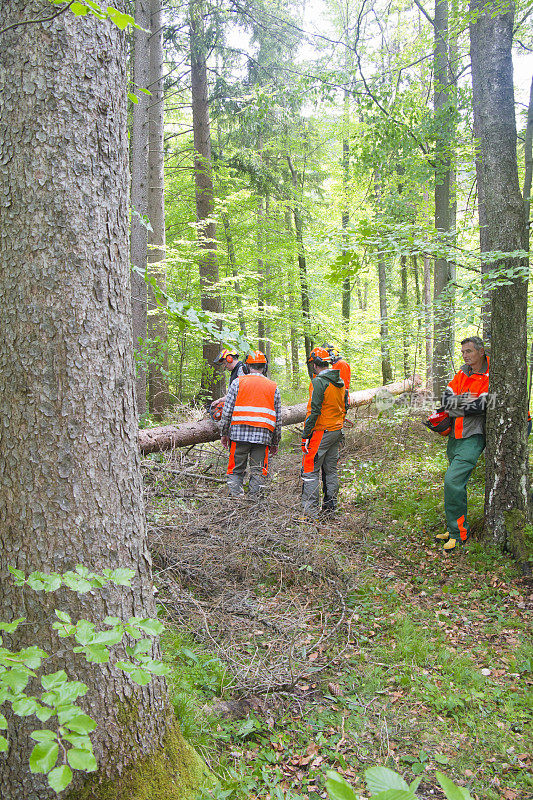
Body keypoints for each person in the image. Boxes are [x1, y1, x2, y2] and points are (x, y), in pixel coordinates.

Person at [437, 336, 489, 552]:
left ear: (480, 351)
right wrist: (460, 405)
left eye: (469, 351)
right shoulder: (461, 373)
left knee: (452, 481)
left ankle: (459, 535)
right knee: (454, 486)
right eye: (463, 352)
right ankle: (454, 527)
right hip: (455, 436)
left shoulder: (489, 374)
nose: (466, 355)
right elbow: (445, 399)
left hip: (473, 436)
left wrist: (456, 405)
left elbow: (482, 405)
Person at [220, 351, 281, 498]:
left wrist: (224, 433)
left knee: (235, 469)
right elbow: (278, 418)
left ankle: (236, 500)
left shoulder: (237, 382)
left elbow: (227, 412)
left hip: (238, 435)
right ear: (264, 367)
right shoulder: (273, 386)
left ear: (247, 366)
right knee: (259, 470)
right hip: (263, 436)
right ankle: (254, 503)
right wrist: (275, 441)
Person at [301, 347, 347, 517]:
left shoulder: (319, 382)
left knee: (310, 470)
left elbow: (314, 411)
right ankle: (330, 509)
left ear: (314, 364)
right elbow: (345, 405)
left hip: (322, 430)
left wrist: (306, 434)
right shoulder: (339, 381)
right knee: (330, 470)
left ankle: (310, 513)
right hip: (336, 429)